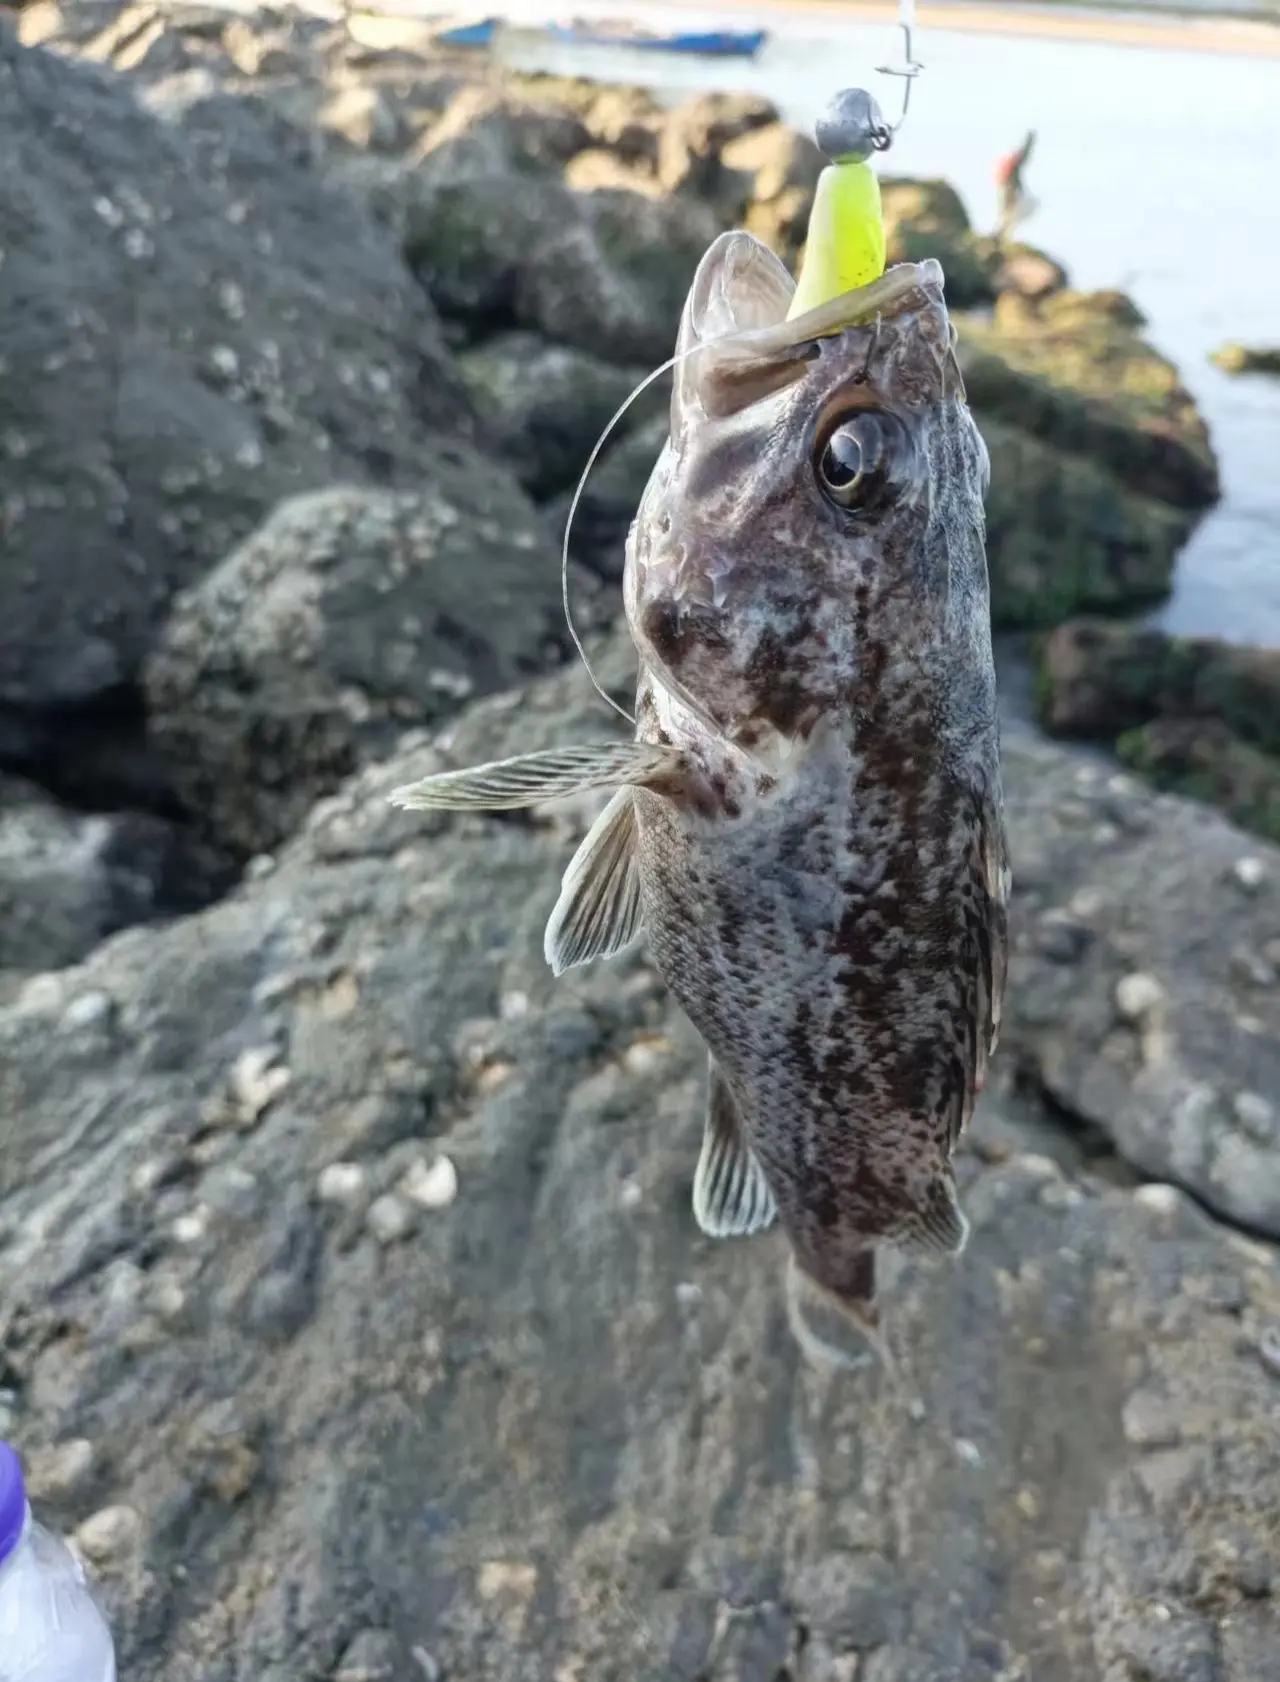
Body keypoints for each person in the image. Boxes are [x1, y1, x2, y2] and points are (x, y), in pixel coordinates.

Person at [995, 130, 1037, 244]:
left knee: (1007, 216)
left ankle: (1002, 238)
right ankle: (1000, 239)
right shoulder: (1015, 160)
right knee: (1007, 216)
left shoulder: (1014, 159)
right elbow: (1012, 179)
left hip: (1007, 189)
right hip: (1008, 190)